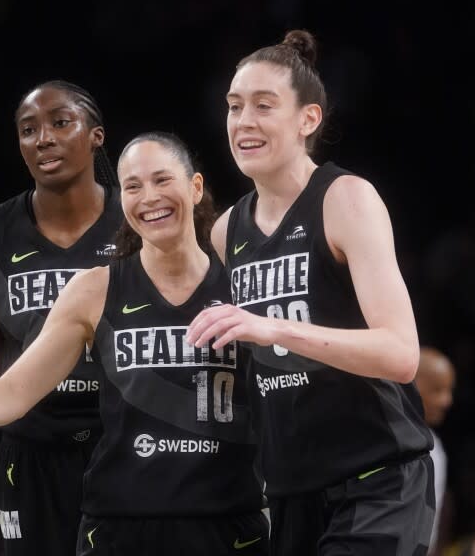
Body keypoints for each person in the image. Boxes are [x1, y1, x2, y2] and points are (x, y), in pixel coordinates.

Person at [0, 132, 268, 555]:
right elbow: (9, 397)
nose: (149, 198)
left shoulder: (243, 282)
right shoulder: (94, 289)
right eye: (133, 186)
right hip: (119, 528)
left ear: (195, 187)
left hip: (228, 525)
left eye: (162, 180)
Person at [186, 29, 435, 555]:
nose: (243, 121)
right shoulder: (226, 230)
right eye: (234, 107)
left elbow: (401, 354)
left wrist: (273, 328)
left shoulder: (346, 199)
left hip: (377, 482)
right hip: (291, 492)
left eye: (263, 105)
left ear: (308, 119)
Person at [0, 80, 123, 556]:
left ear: (95, 135)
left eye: (60, 123)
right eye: (28, 130)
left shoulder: (136, 223)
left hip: (121, 448)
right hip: (27, 456)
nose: (43, 138)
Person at [415, 346, 457, 555]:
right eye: (437, 390)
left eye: (449, 391)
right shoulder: (384, 443)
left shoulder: (435, 447)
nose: (446, 401)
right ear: (410, 384)